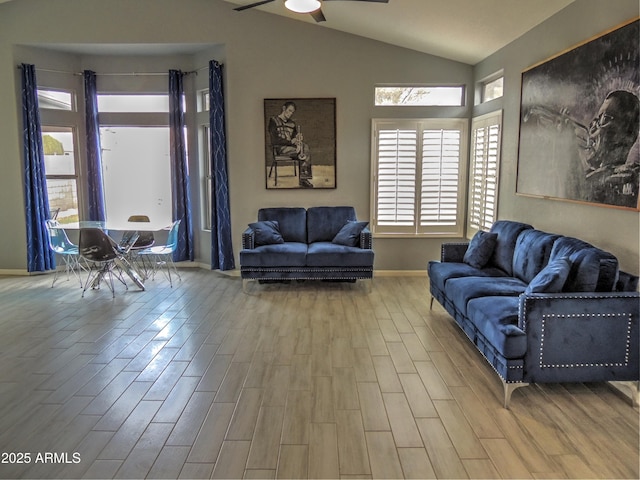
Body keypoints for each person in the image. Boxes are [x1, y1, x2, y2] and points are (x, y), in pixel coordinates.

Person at [577, 90, 639, 207]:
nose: (592, 128)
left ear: (627, 133)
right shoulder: (589, 175)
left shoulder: (624, 180)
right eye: (595, 120)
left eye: (603, 119)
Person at [268, 101, 313, 188]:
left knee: (305, 147)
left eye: (292, 112)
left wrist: (298, 140)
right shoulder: (273, 121)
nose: (290, 114)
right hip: (280, 148)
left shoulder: (292, 123)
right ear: (284, 108)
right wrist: (291, 142)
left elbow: (294, 138)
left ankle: (304, 178)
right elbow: (274, 140)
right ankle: (303, 180)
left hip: (292, 149)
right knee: (302, 151)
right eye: (289, 110)